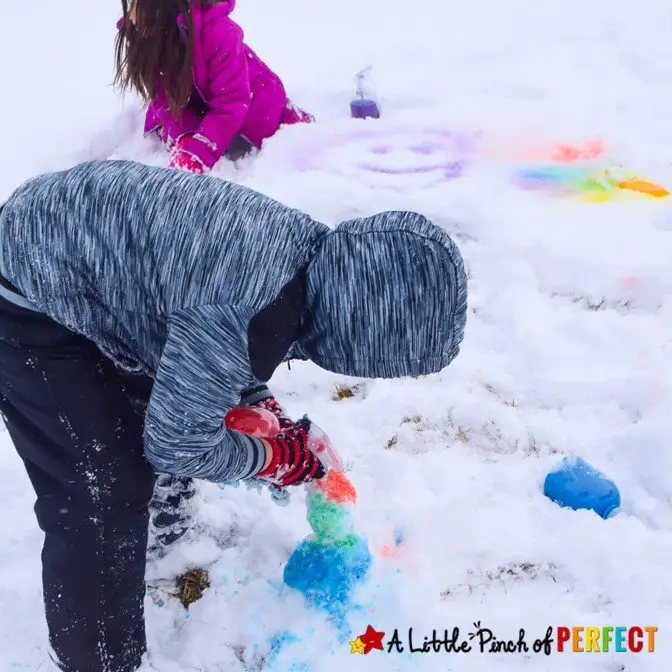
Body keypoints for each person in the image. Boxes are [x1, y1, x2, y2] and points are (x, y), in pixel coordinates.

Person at [0, 159, 468, 672]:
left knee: (169, 398)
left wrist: (259, 405)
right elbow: (179, 441)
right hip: (28, 289)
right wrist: (273, 456)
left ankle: (167, 536)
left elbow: (214, 333)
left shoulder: (304, 258)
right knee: (105, 488)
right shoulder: (245, 311)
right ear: (362, 337)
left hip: (93, 259)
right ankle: (102, 660)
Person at [114, 0, 314, 174]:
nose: (131, 16)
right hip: (202, 100)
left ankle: (298, 120)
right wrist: (185, 138)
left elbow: (231, 102)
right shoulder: (151, 37)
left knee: (279, 125)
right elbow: (164, 99)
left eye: (140, 6)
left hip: (254, 97)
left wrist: (200, 151)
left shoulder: (219, 33)